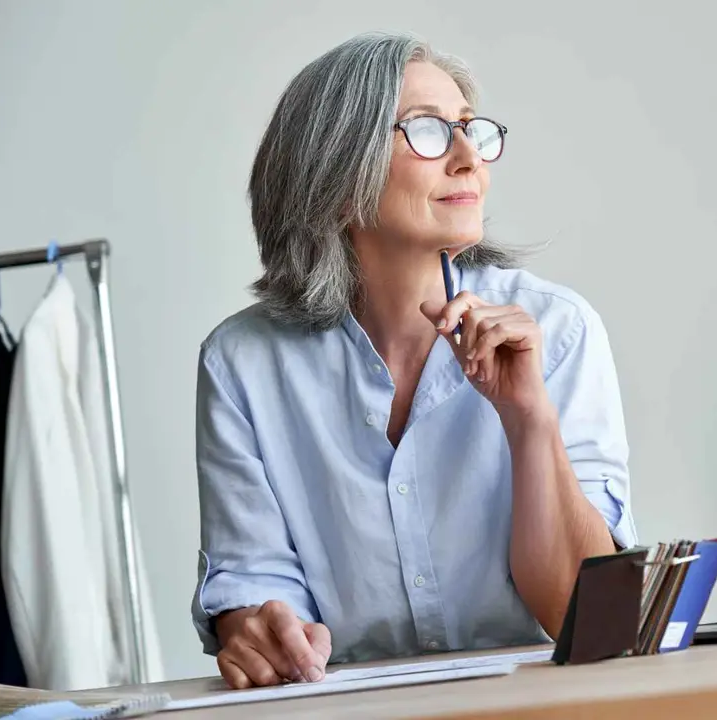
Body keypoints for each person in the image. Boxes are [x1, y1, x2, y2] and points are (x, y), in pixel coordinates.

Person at [190, 31, 638, 690]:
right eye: (427, 132)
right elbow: (255, 594)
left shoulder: (559, 332)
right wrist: (258, 631)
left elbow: (585, 618)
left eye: (469, 129)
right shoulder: (243, 365)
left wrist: (528, 416)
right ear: (338, 178)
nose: (468, 159)